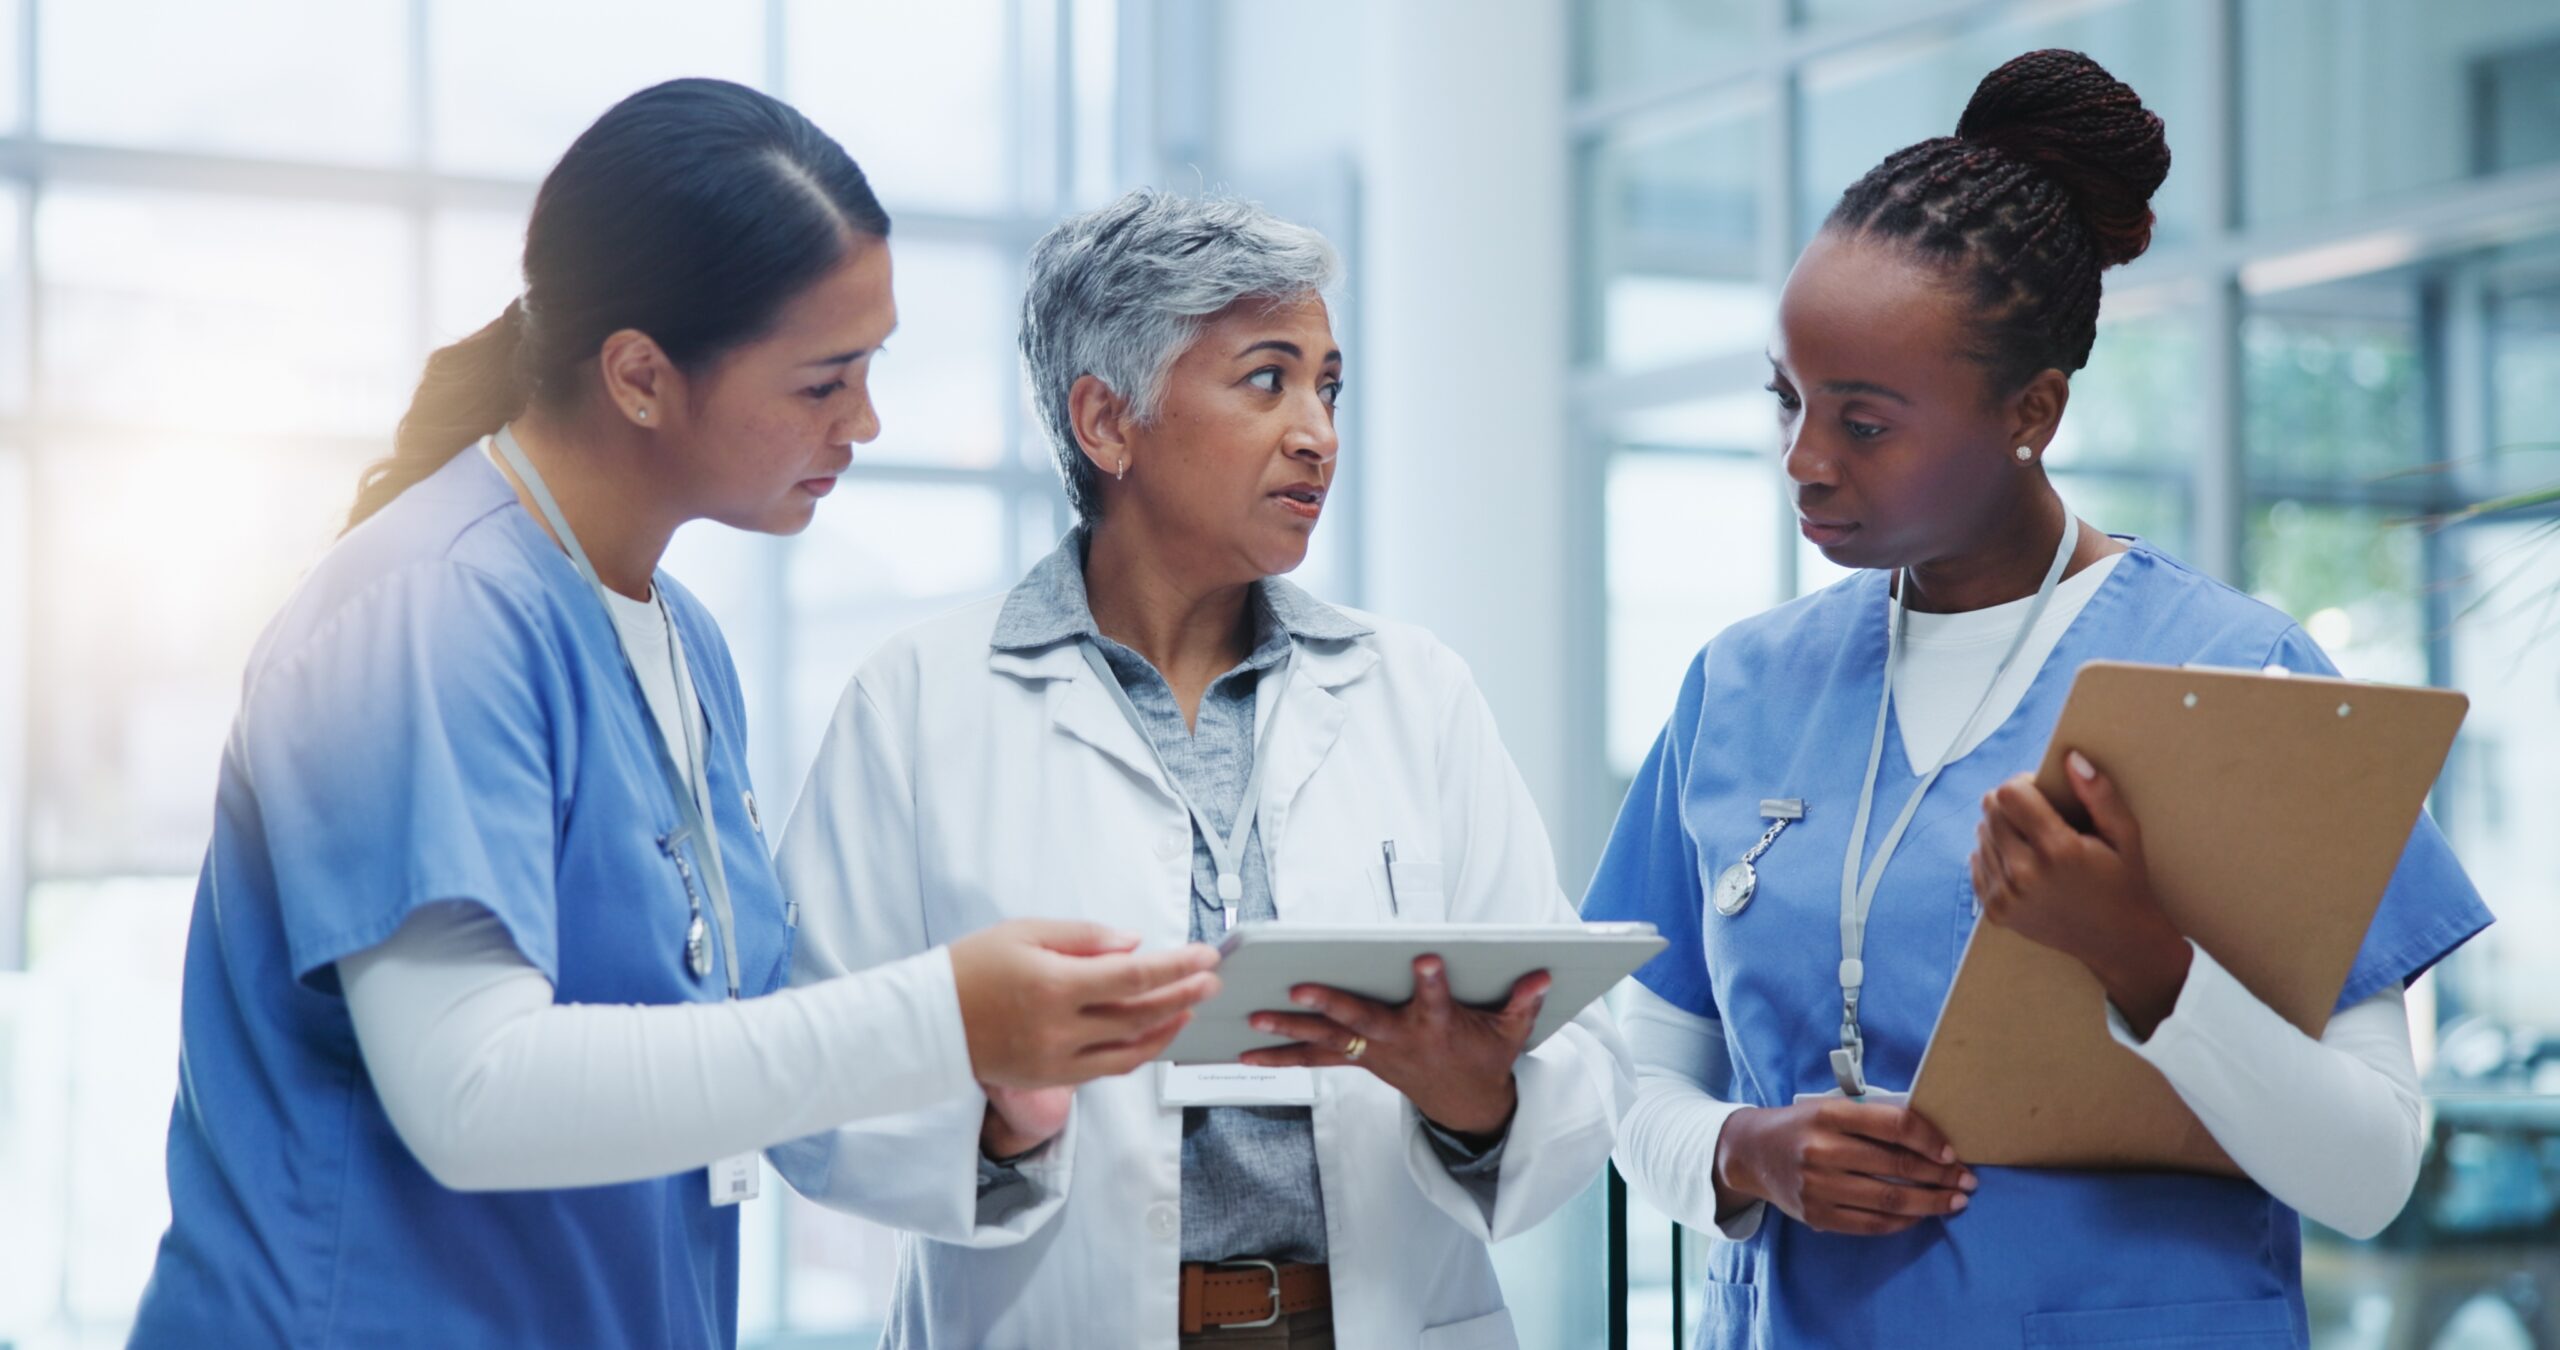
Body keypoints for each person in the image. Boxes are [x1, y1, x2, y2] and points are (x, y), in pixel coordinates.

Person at [129, 79, 1217, 1349]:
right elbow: (472, 1091)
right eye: (824, 380)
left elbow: (725, 1053)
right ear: (641, 376)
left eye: (872, 366)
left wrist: (990, 1102)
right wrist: (942, 1015)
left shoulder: (681, 643)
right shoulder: (428, 615)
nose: (865, 422)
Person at [1585, 49, 2492, 1349]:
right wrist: (1742, 1152)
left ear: (2034, 409)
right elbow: (1632, 1082)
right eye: (1786, 401)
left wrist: (2144, 958)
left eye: (1866, 420)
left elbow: (2372, 1167)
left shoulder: (2238, 671)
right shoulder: (1740, 684)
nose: (1804, 461)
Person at [771, 190, 1633, 1349]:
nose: (1317, 431)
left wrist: (1470, 1094)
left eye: (1329, 386)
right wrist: (1000, 1123)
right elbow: (808, 1075)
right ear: (1107, 421)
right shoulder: (919, 702)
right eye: (1267, 379)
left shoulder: (1412, 694)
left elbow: (1581, 1054)